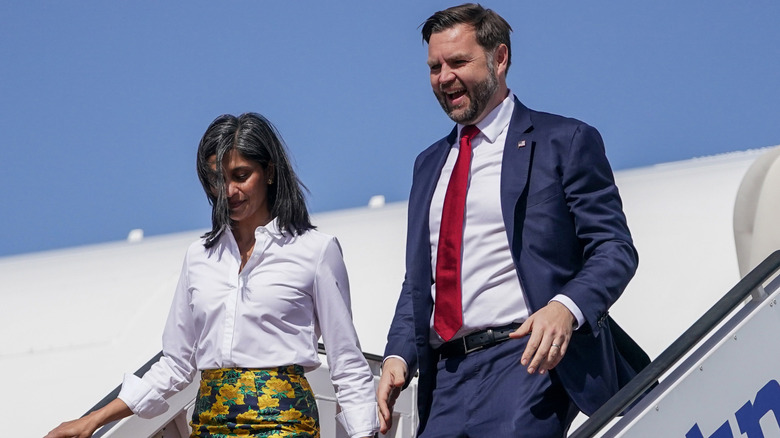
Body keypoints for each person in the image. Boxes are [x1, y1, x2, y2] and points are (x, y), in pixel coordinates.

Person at [377, 4, 648, 437]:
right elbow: (421, 280)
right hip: (446, 378)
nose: (444, 77)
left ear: (499, 59)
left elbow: (614, 249)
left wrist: (565, 307)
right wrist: (398, 354)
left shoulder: (565, 141)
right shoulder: (428, 165)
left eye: (458, 62)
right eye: (434, 67)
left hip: (527, 360)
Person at [45, 113, 379, 438]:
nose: (229, 191)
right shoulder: (199, 257)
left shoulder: (315, 251)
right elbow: (176, 364)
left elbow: (346, 363)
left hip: (284, 427)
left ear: (270, 172)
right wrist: (93, 421)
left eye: (241, 175)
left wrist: (364, 433)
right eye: (217, 180)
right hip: (209, 426)